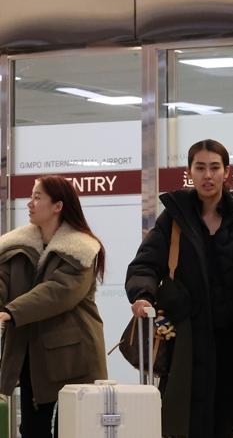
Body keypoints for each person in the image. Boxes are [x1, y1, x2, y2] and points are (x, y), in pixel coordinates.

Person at [126, 139, 233, 438]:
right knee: (187, 423)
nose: (208, 175)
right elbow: (145, 265)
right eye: (200, 167)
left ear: (227, 172)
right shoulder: (175, 219)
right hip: (187, 342)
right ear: (189, 172)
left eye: (215, 167)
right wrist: (142, 295)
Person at [0, 175, 107, 438]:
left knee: (72, 431)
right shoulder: (15, 247)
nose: (30, 203)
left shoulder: (82, 250)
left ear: (58, 206)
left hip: (73, 358)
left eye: (37, 197)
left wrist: (11, 311)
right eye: (31, 196)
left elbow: (59, 292)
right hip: (32, 356)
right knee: (32, 430)